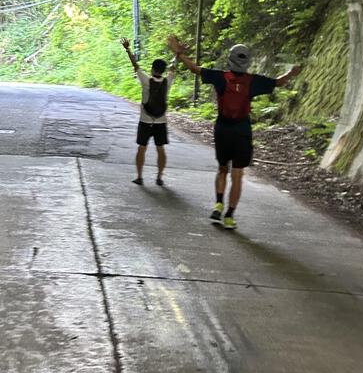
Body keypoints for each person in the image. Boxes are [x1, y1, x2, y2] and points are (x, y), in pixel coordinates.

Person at [167, 36, 300, 229]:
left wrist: (178, 52)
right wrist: (291, 72)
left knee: (222, 168)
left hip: (222, 129)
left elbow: (194, 68)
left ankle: (218, 203)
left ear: (229, 59)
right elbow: (278, 83)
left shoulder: (220, 76)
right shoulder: (253, 81)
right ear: (247, 62)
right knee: (237, 174)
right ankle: (229, 215)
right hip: (242, 131)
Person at [121, 37, 176, 187]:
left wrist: (127, 49)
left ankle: (139, 176)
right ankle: (159, 177)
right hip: (161, 121)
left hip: (145, 120)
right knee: (161, 150)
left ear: (152, 68)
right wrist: (177, 54)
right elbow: (172, 68)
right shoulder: (167, 82)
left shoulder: (145, 80)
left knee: (141, 148)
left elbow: (135, 65)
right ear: (163, 70)